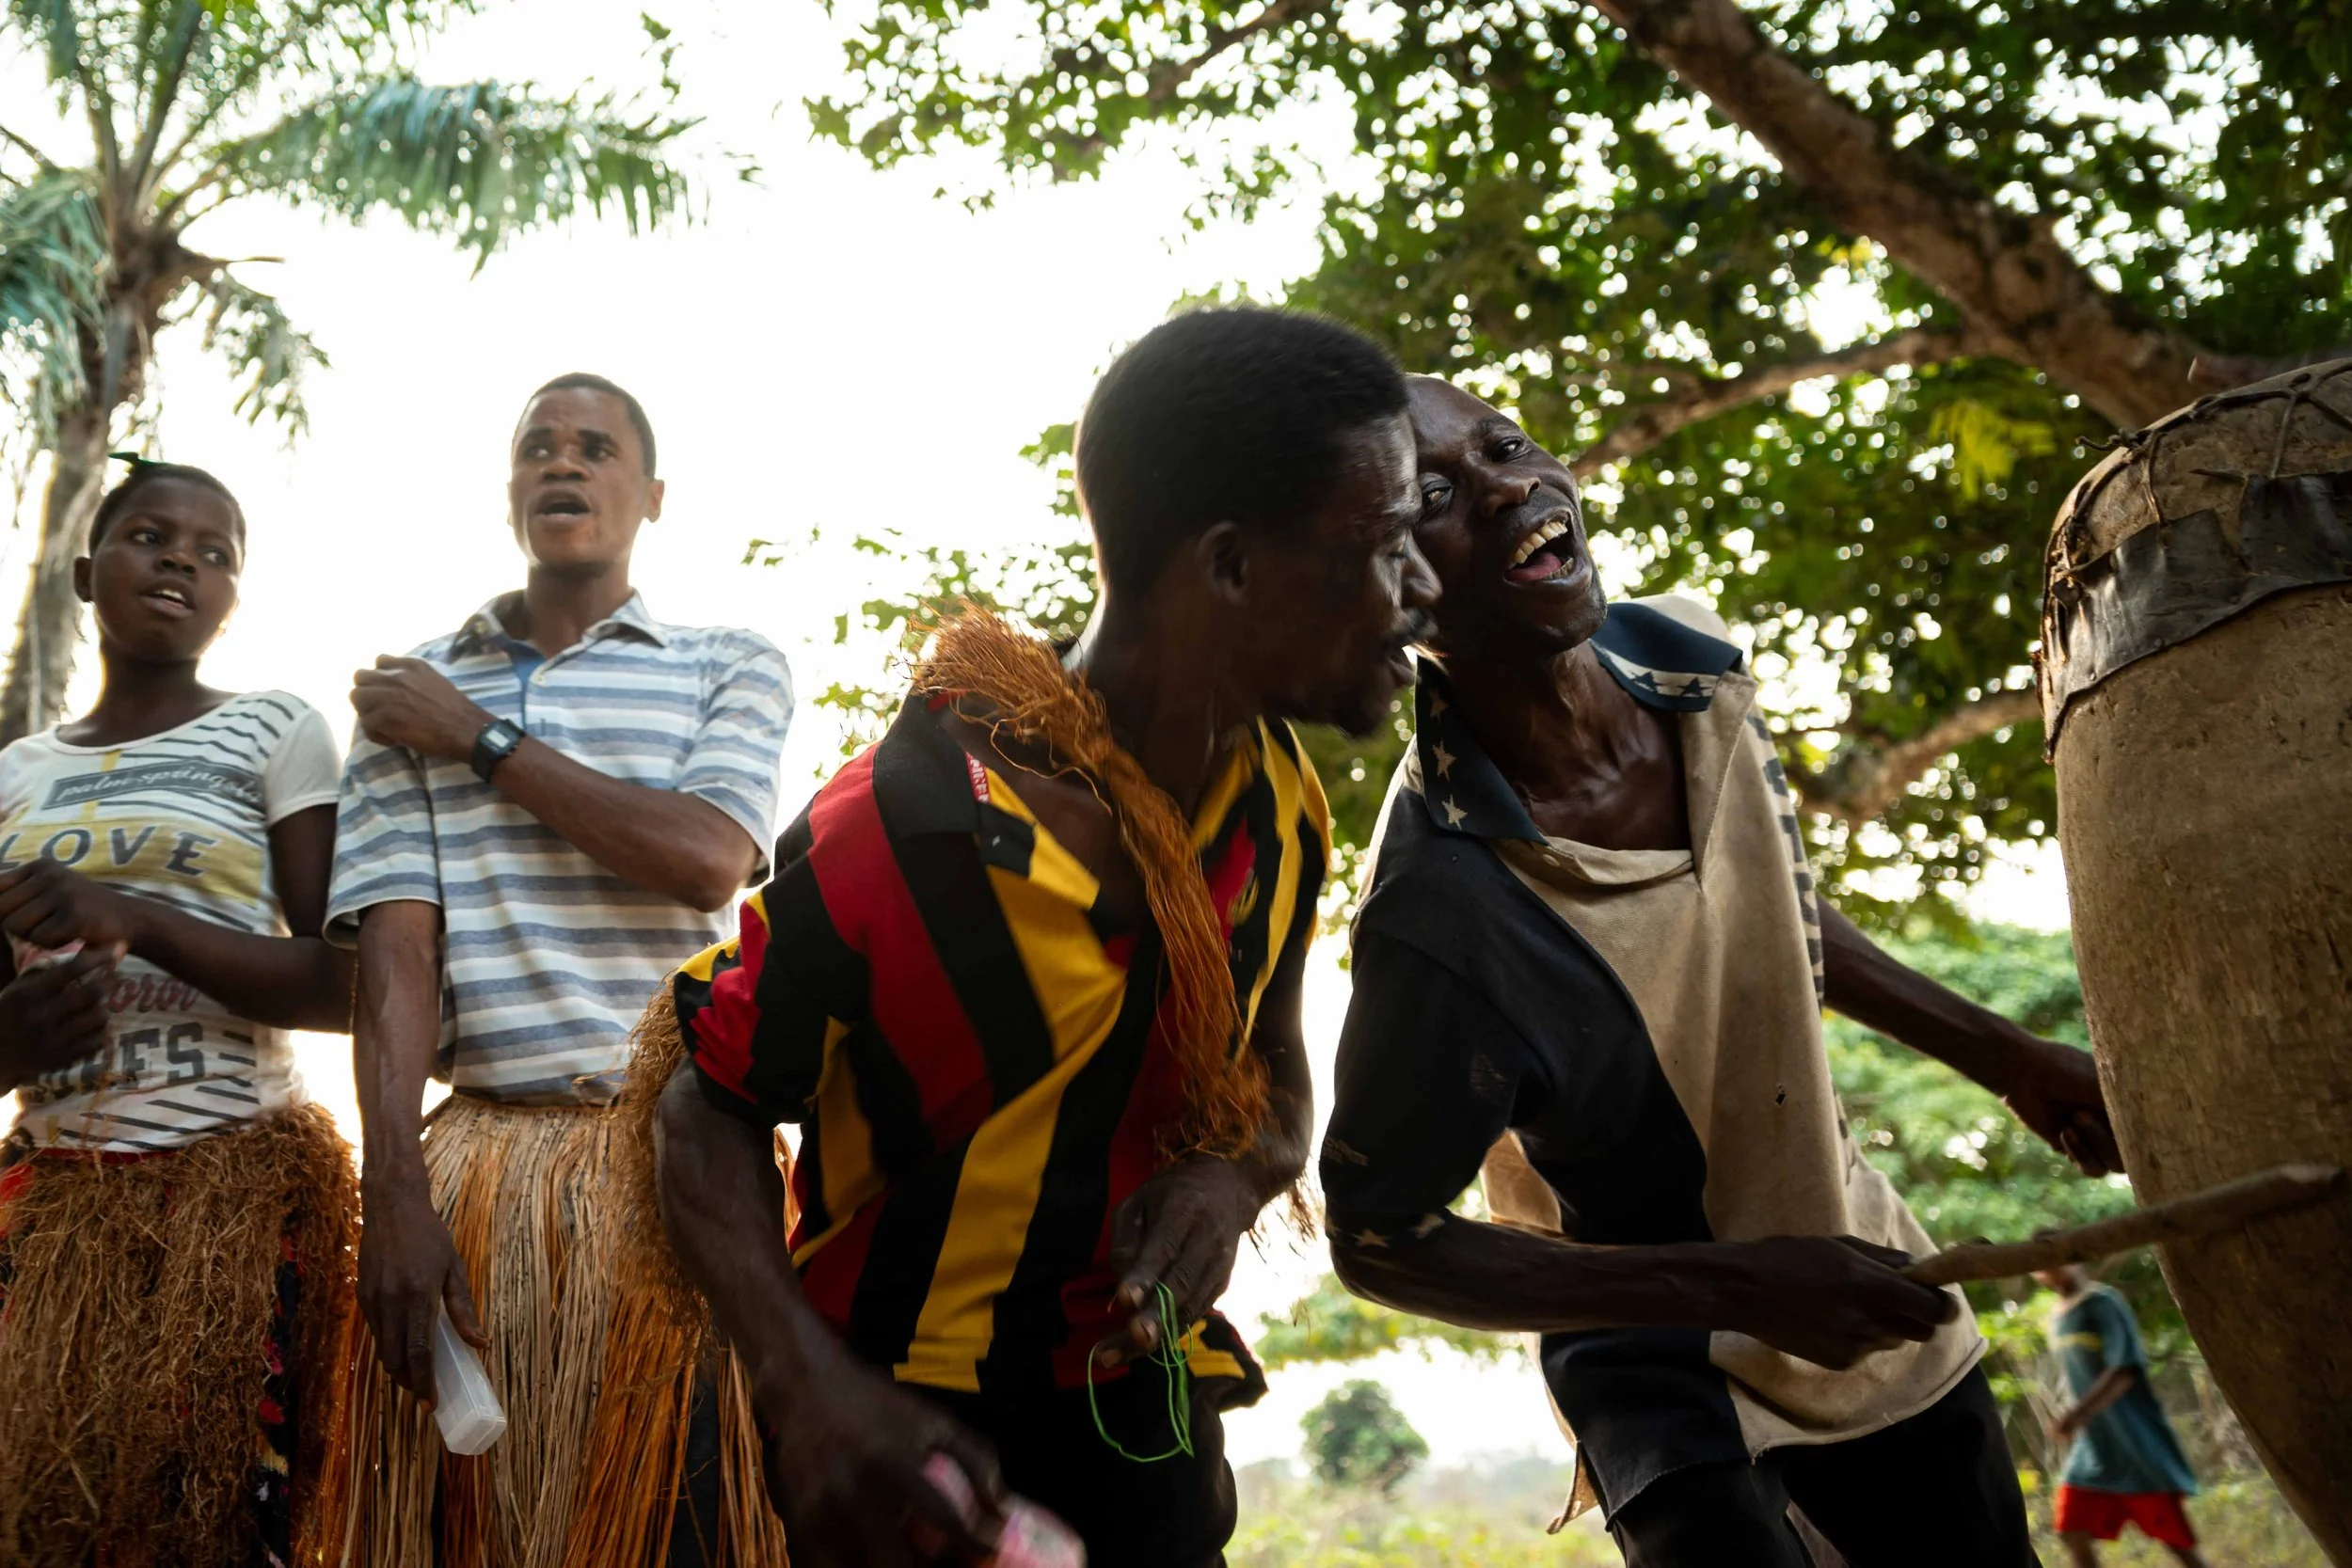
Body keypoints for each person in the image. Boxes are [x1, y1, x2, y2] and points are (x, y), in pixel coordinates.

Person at [643, 307, 1437, 1568]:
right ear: (1229, 567)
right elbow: (706, 1106)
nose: (1423, 588)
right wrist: (804, 1390)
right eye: (1387, 542)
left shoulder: (1280, 802)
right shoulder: (905, 826)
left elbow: (1278, 1069)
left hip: (1142, 1425)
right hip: (899, 1449)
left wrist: (1229, 1180)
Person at [1318, 376, 2128, 1567]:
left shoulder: (1693, 664)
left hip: (1869, 1292)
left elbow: (1774, 915)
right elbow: (1375, 1239)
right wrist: (1741, 1285)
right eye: (1436, 494)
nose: (1509, 487)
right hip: (1659, 1378)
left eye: (1507, 445)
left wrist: (2007, 1058)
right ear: (1390, 589)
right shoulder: (1441, 911)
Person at [327, 374, 794, 1565]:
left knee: (691, 1520)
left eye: (594, 447)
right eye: (538, 445)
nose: (562, 464)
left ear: (649, 494)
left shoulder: (724, 661)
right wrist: (392, 1187)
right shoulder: (410, 690)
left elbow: (703, 858)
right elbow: (396, 948)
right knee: (461, 1529)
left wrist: (479, 739)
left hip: (678, 1168)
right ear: (510, 491)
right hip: (483, 1168)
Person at [0, 458, 358, 1568]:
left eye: (215, 554)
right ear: (82, 570)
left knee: (224, 1522)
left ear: (233, 598)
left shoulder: (275, 731)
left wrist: (140, 919)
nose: (181, 562)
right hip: (49, 1204)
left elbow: (345, 982)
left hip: (231, 1199)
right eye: (151, 535)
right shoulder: (16, 772)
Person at [2037, 1264, 2208, 1567]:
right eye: (2042, 1267)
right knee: (2072, 1530)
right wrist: (2074, 1416)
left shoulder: (2104, 1302)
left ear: (2073, 1260)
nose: (2052, 1271)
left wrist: (2077, 1413)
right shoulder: (2056, 1317)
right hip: (2093, 1449)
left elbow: (2123, 1370)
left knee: (2177, 1543)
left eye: (2056, 1261)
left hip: (2134, 1444)